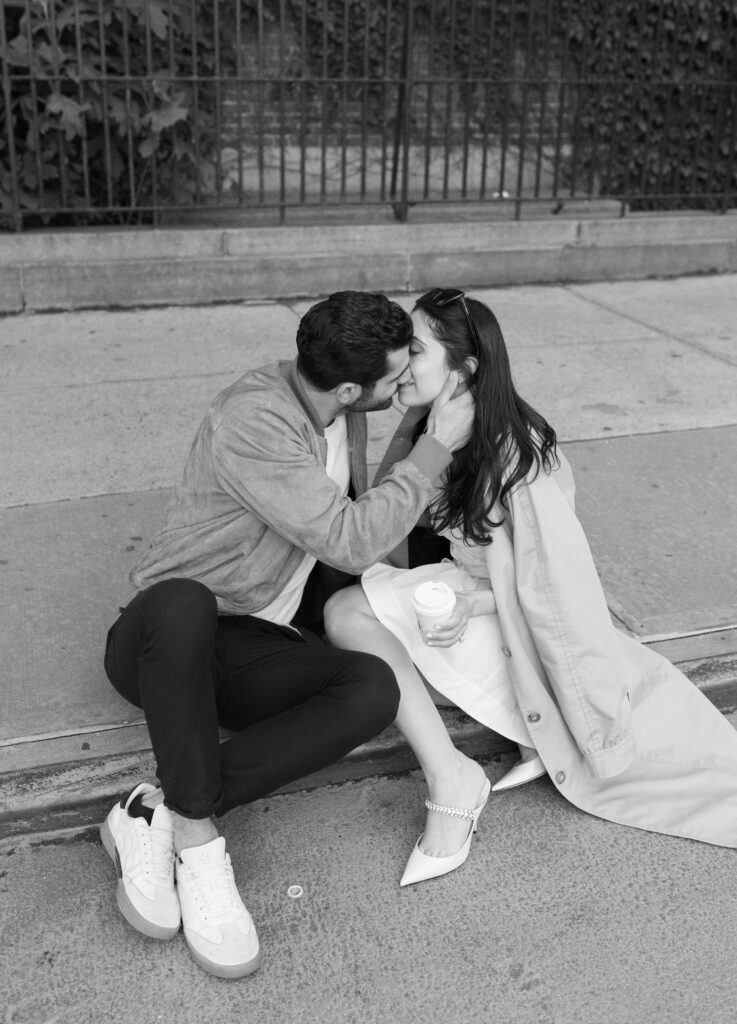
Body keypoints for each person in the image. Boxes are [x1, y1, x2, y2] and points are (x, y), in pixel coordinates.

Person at [101, 290, 473, 977]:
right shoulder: (255, 418)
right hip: (163, 639)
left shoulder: (342, 406)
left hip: (250, 650)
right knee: (183, 601)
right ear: (351, 387)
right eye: (395, 378)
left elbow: (376, 526)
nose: (402, 388)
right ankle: (202, 846)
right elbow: (349, 540)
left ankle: (155, 809)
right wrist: (435, 449)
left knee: (370, 686)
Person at [324, 287, 737, 887]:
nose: (396, 361)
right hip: (467, 601)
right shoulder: (431, 427)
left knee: (346, 616)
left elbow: (556, 588)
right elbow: (385, 525)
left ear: (464, 370)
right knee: (354, 640)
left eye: (412, 350)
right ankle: (518, 733)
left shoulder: (515, 456)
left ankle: (454, 782)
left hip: (508, 618)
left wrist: (473, 602)